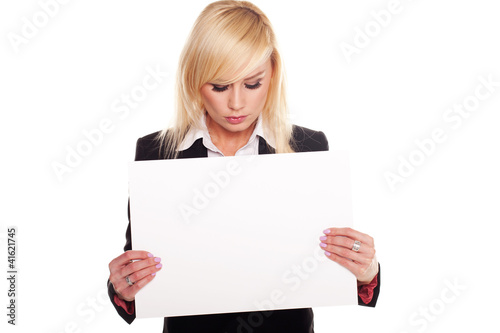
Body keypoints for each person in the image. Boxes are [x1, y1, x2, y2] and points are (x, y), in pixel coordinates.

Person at [107, 1, 380, 332]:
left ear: (273, 74)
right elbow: (138, 274)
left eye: (252, 83)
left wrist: (366, 271)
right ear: (194, 79)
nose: (236, 103)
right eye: (219, 86)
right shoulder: (155, 152)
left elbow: (329, 274)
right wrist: (122, 287)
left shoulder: (309, 148)